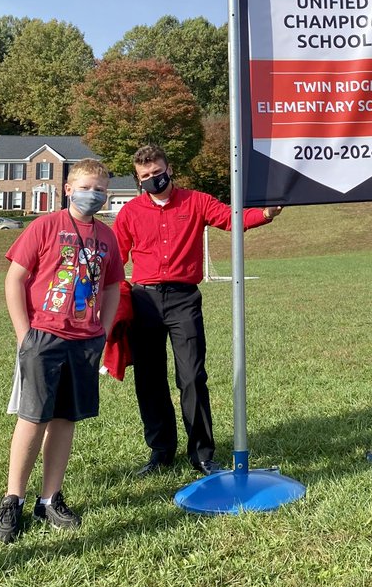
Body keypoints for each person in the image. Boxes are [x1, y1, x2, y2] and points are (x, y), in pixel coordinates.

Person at [115, 143, 282, 476]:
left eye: (157, 173)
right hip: (143, 300)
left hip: (183, 299)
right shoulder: (129, 213)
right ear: (138, 179)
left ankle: (202, 453)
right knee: (149, 380)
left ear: (169, 169)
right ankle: (161, 451)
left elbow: (230, 218)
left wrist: (264, 214)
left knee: (192, 377)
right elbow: (116, 258)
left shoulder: (197, 201)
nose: (153, 179)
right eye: (145, 176)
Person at [0, 159, 123, 544]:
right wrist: (23, 335)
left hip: (85, 340)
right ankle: (12, 499)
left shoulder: (106, 236)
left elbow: (114, 284)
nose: (93, 195)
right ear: (68, 188)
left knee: (66, 418)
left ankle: (48, 498)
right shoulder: (45, 226)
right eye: (86, 187)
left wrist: (104, 330)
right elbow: (15, 278)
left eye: (100, 189)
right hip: (44, 337)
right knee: (33, 417)